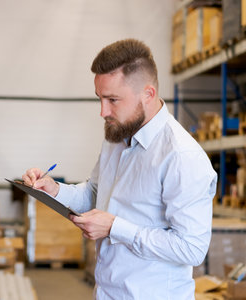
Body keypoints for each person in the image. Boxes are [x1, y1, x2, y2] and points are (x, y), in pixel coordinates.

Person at [22, 39, 217, 299]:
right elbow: (95, 194)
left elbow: (191, 248)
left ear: (147, 94)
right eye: (100, 98)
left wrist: (115, 227)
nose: (103, 111)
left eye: (113, 99)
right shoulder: (116, 137)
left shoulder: (181, 157)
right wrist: (54, 189)